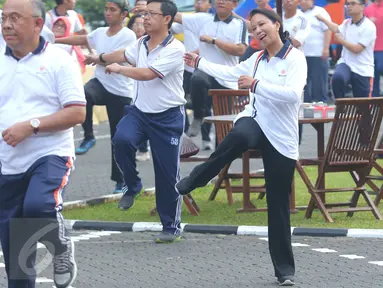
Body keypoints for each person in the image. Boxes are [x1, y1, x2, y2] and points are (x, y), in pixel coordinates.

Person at [177, 8, 307, 286]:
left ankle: (284, 271)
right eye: (252, 29)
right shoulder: (257, 58)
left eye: (261, 25)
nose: (257, 32)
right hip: (255, 120)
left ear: (276, 24)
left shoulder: (295, 58)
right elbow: (230, 72)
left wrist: (257, 85)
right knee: (238, 136)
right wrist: (199, 63)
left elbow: (292, 96)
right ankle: (197, 178)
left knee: (278, 204)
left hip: (282, 137)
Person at [0, 0, 86, 287]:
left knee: (39, 204)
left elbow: (77, 112)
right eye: (3, 18)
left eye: (15, 18)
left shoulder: (60, 61)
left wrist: (32, 126)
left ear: (38, 24)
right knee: (17, 258)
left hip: (49, 154)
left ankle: (61, 247)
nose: (7, 25)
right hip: (8, 164)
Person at [88, 0, 187, 243]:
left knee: (166, 174)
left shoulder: (175, 49)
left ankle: (170, 226)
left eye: (152, 14)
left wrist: (119, 69)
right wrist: (99, 57)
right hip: (140, 112)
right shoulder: (140, 43)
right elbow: (122, 54)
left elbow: (148, 73)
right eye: (144, 14)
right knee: (121, 140)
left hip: (168, 117)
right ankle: (132, 185)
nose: (145, 18)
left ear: (167, 19)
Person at [54, 0, 135, 194]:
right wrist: (55, 40)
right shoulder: (99, 33)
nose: (108, 13)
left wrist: (97, 59)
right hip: (100, 83)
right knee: (84, 94)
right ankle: (89, 136)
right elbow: (81, 40)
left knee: (118, 139)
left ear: (123, 15)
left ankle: (121, 180)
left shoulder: (128, 35)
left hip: (121, 91)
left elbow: (120, 56)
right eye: (106, 9)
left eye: (112, 10)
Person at [173, 0, 248, 150]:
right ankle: (198, 116)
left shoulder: (239, 24)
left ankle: (222, 162)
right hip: (205, 69)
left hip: (226, 76)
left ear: (234, 4)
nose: (220, 2)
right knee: (197, 78)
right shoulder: (202, 19)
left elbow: (240, 50)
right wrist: (150, 6)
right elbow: (174, 15)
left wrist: (214, 41)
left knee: (224, 126)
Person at [317, 0, 376, 98]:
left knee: (363, 104)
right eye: (347, 4)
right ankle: (341, 105)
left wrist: (341, 41)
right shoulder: (347, 23)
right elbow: (337, 29)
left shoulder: (369, 26)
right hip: (346, 63)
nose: (349, 6)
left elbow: (357, 49)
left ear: (362, 7)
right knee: (337, 78)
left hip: (363, 68)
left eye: (353, 3)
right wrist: (323, 19)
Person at [127, 13, 152, 162]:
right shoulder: (128, 43)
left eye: (142, 24)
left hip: (144, 87)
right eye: (135, 24)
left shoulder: (150, 43)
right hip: (127, 87)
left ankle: (143, 148)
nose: (139, 27)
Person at [300, 0, 331, 103]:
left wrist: (326, 48)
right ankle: (306, 105)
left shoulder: (320, 12)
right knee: (304, 83)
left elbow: (327, 29)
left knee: (319, 81)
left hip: (318, 53)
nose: (303, 1)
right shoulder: (298, 14)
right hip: (302, 55)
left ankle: (322, 104)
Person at [365, 0, 383, 97]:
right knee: (373, 76)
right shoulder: (368, 9)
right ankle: (375, 99)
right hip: (370, 49)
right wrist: (368, 21)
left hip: (381, 48)